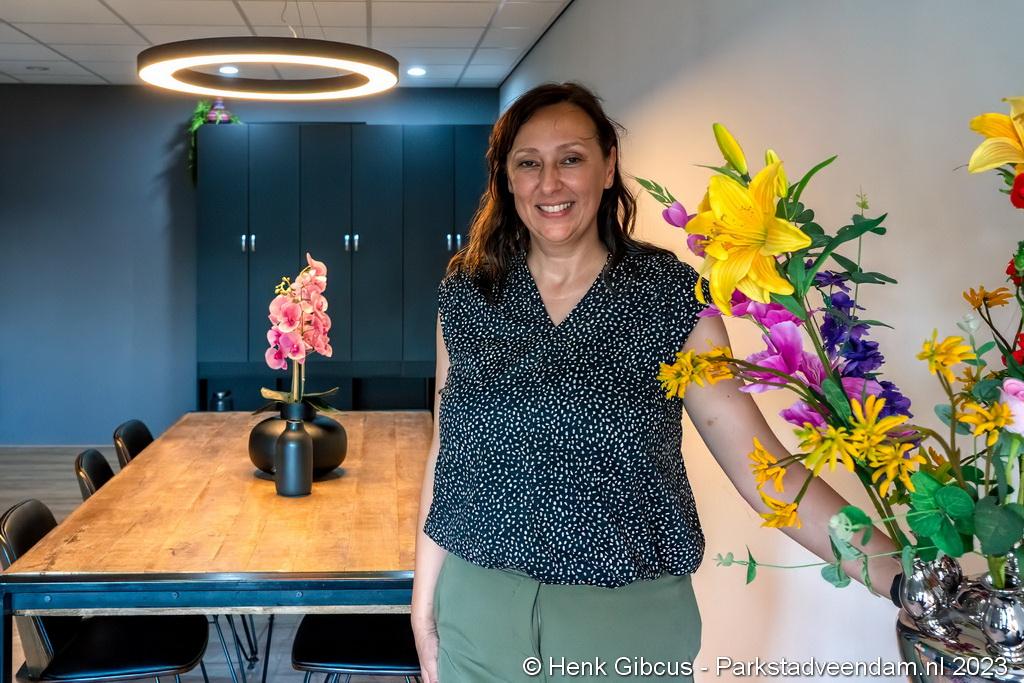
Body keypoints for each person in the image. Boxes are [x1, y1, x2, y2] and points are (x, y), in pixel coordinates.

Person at [410, 82, 902, 683]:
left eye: (571, 158)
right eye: (529, 163)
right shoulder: (467, 294)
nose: (549, 183)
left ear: (608, 165)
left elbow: (763, 469)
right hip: (477, 611)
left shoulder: (670, 296)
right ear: (507, 179)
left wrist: (904, 578)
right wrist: (423, 604)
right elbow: (448, 453)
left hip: (625, 621)